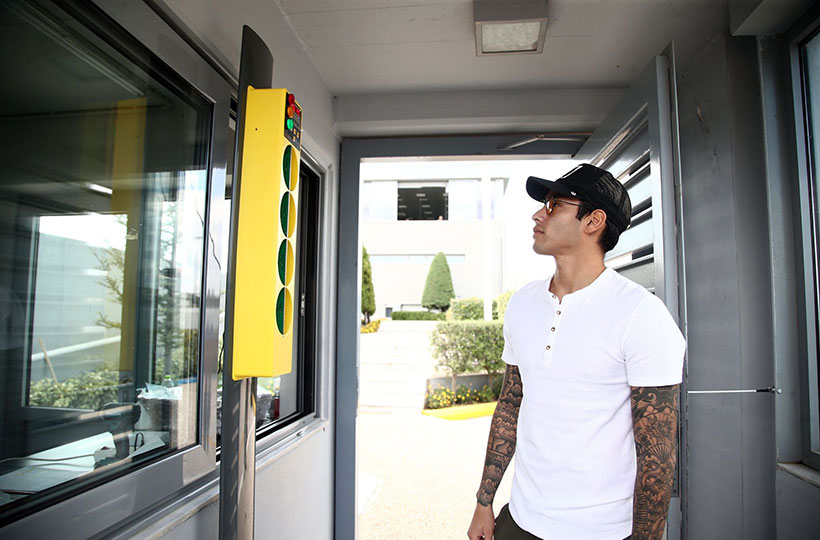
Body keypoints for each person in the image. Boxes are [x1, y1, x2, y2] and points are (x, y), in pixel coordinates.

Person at [467, 164, 686, 540]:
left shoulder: (640, 314)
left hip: (601, 530)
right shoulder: (522, 303)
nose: (538, 214)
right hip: (521, 519)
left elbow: (657, 455)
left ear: (593, 221)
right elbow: (510, 407)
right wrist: (484, 502)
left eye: (554, 205)